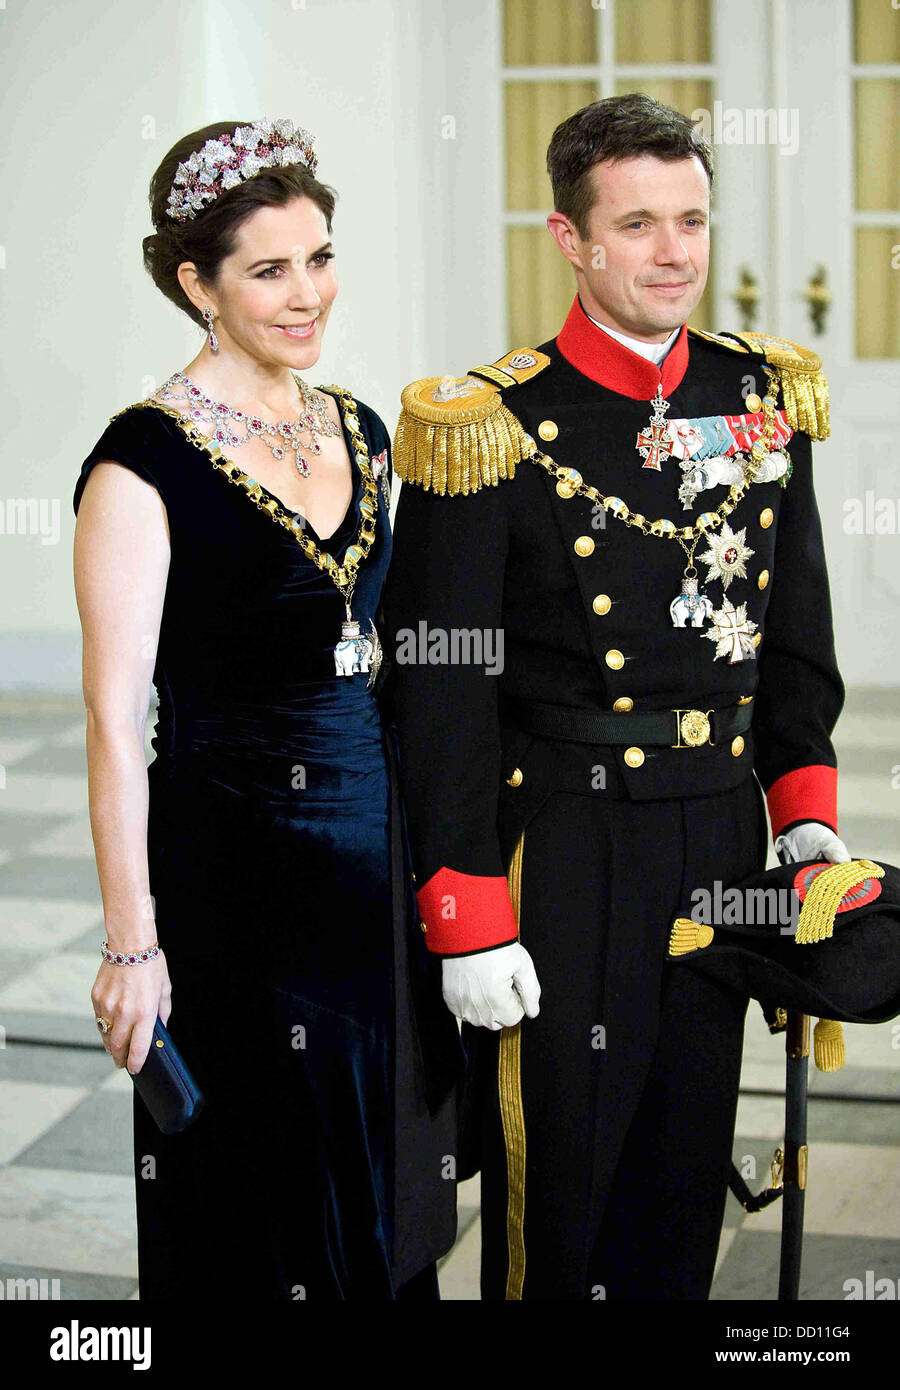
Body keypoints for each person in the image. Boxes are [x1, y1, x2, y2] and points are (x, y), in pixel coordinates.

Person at [381, 92, 849, 1300]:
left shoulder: (760, 394)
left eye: (691, 219)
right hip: (570, 841)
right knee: (567, 1187)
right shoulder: (488, 422)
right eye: (638, 224)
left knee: (685, 1170)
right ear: (570, 238)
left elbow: (796, 631)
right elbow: (440, 682)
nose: (675, 252)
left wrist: (803, 809)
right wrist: (463, 902)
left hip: (720, 824)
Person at [73, 117, 462, 1301]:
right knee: (264, 1199)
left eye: (322, 257)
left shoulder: (361, 426)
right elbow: (110, 719)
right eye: (270, 269)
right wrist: (132, 943)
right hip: (233, 874)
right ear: (195, 283)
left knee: (388, 1182)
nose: (310, 295)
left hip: (375, 864)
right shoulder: (141, 466)